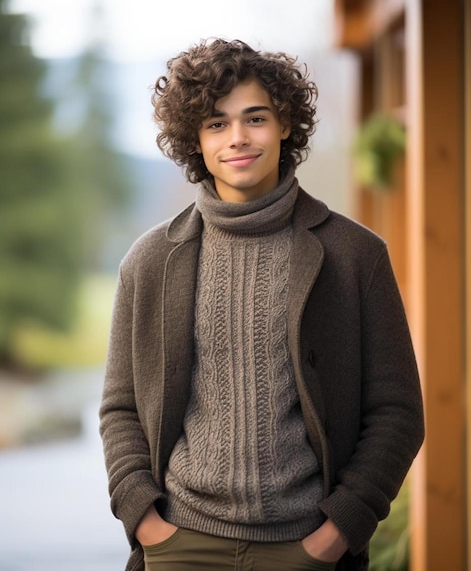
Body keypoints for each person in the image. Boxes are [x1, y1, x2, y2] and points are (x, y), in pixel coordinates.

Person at [99, 38, 424, 571]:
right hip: (181, 545)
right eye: (217, 124)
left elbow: (398, 412)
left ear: (286, 125)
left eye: (256, 118)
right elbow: (120, 407)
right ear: (195, 140)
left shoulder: (355, 255)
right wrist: (144, 520)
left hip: (306, 549)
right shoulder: (151, 261)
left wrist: (339, 531)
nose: (238, 139)